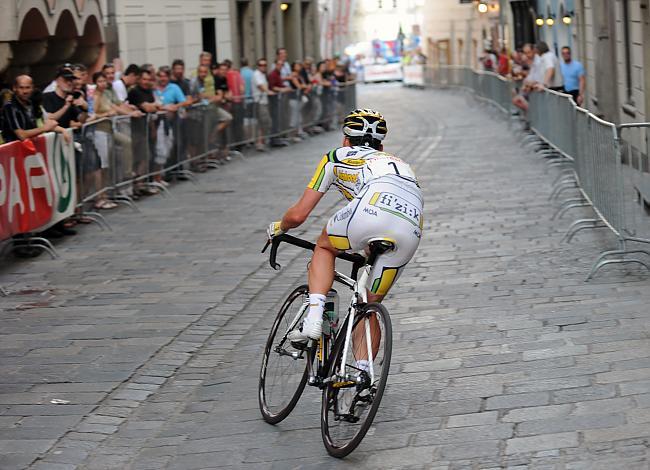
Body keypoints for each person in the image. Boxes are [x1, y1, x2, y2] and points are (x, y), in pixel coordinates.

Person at [266, 109, 423, 354]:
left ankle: (314, 318)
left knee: (325, 246)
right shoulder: (400, 164)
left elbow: (298, 215)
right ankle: (363, 375)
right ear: (380, 147)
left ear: (345, 141)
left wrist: (279, 227)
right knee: (368, 306)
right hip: (411, 225)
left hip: (369, 211)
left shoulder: (335, 156)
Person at [1, 75, 66, 143]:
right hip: (13, 151)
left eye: (28, 87)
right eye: (21, 88)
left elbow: (42, 122)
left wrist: (63, 130)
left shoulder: (32, 104)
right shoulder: (10, 107)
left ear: (32, 88)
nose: (25, 91)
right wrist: (45, 128)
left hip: (31, 148)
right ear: (14, 88)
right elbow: (21, 135)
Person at [252, 58, 274, 151]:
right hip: (259, 101)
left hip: (264, 101)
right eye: (261, 65)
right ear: (258, 66)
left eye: (265, 65)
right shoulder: (257, 74)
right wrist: (268, 91)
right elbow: (260, 86)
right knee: (264, 121)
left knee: (265, 122)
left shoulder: (263, 75)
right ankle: (259, 142)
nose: (263, 67)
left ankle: (262, 141)